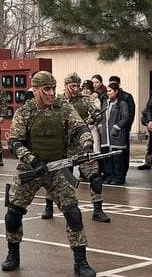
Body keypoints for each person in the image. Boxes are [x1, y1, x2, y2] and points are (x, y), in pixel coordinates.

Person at [2, 71, 99, 277]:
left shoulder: (63, 107)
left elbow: (80, 127)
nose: (52, 93)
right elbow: (14, 143)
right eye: (47, 89)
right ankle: (13, 254)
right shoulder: (25, 112)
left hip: (57, 168)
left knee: (73, 212)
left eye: (54, 88)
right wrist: (33, 160)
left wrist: (87, 144)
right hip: (30, 168)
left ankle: (81, 262)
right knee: (13, 214)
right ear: (36, 90)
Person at [43, 72, 110, 223]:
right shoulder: (57, 101)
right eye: (72, 86)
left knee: (95, 178)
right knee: (53, 177)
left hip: (82, 144)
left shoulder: (84, 100)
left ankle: (98, 210)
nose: (75, 89)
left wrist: (94, 117)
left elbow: (96, 113)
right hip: (62, 147)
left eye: (77, 86)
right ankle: (48, 207)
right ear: (65, 85)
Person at [99, 83, 132, 185]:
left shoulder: (122, 103)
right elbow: (102, 117)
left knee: (117, 158)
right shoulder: (105, 103)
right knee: (107, 157)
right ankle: (109, 175)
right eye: (107, 91)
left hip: (116, 134)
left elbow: (125, 117)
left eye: (110, 91)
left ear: (116, 91)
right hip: (106, 135)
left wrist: (116, 127)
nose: (108, 93)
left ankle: (119, 177)